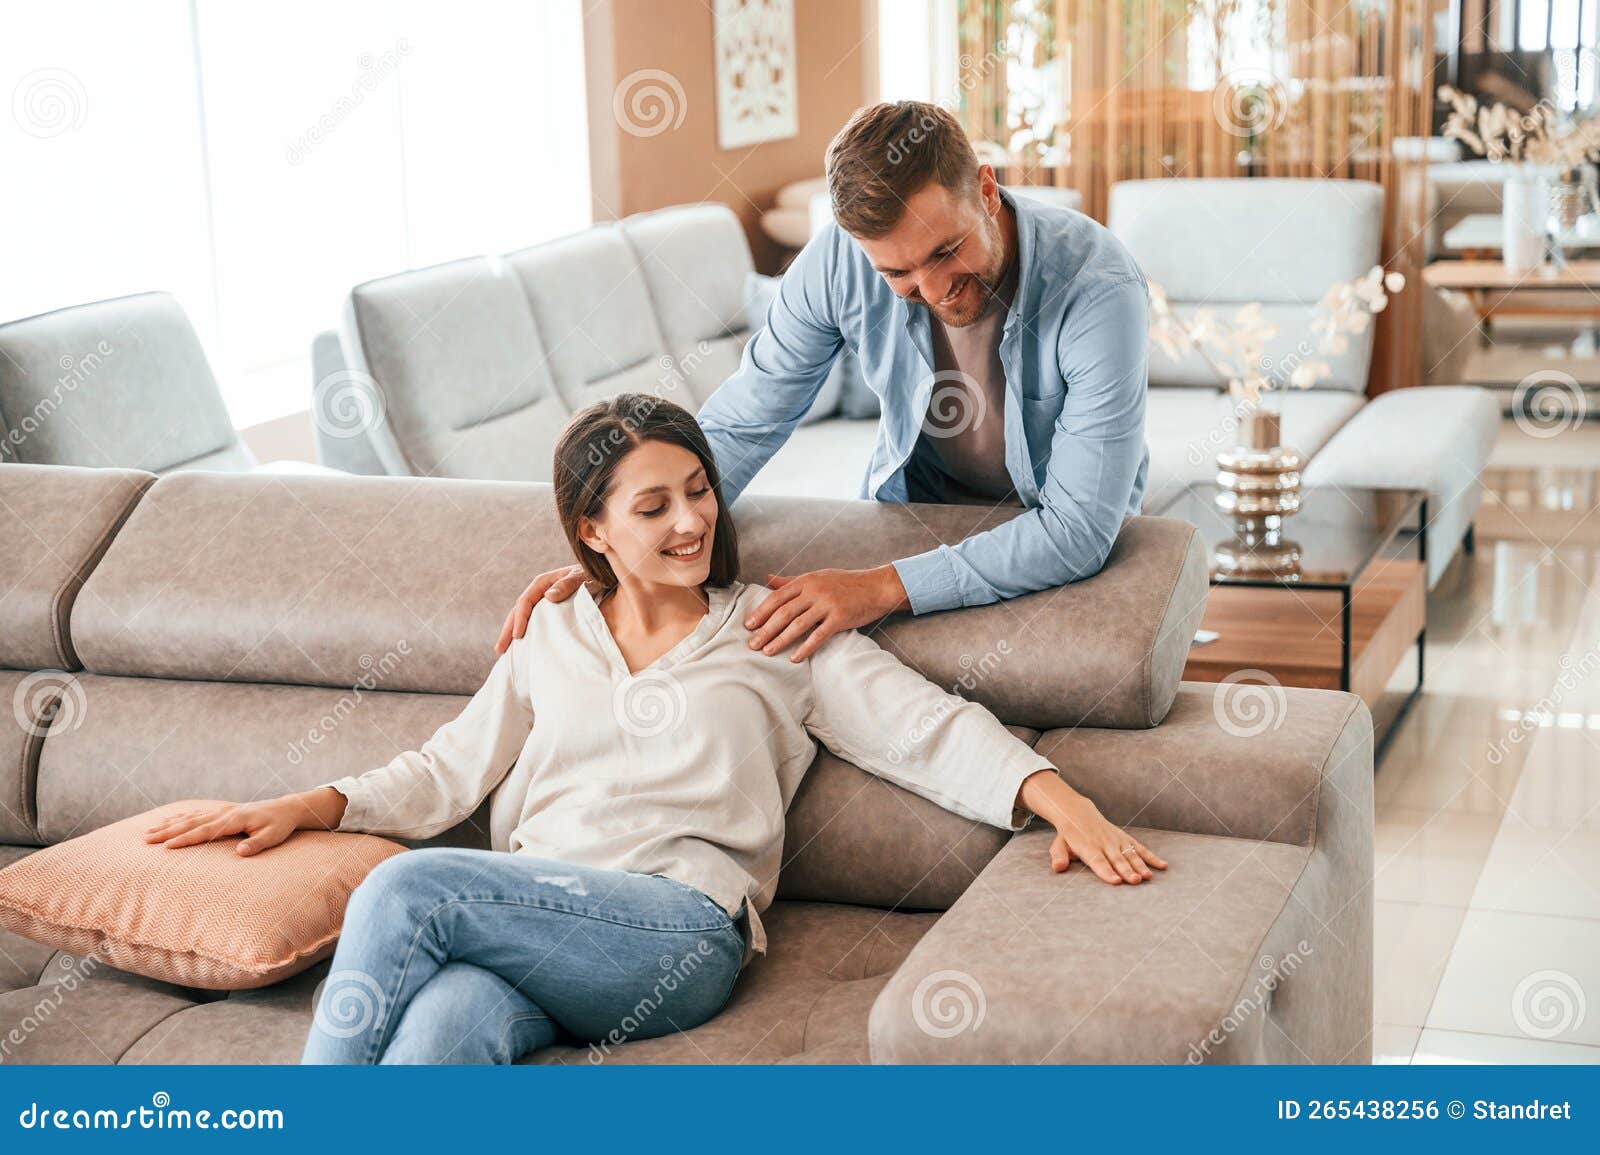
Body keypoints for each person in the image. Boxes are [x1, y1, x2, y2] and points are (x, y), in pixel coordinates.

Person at [142, 393, 1166, 1066]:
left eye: (698, 491)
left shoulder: (772, 629)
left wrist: (1061, 800)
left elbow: (929, 729)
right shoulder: (549, 628)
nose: (690, 522)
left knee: (407, 885)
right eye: (651, 507)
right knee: (437, 1036)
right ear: (592, 530)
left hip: (675, 932)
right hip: (532, 937)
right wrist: (308, 804)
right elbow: (450, 769)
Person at [497, 100, 1149, 662]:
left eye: (947, 252)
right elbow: (748, 417)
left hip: (1048, 526)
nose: (934, 291)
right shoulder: (839, 257)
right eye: (898, 273)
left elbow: (1076, 530)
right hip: (916, 513)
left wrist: (879, 586)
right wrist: (626, 552)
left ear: (984, 189)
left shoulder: (1097, 288)